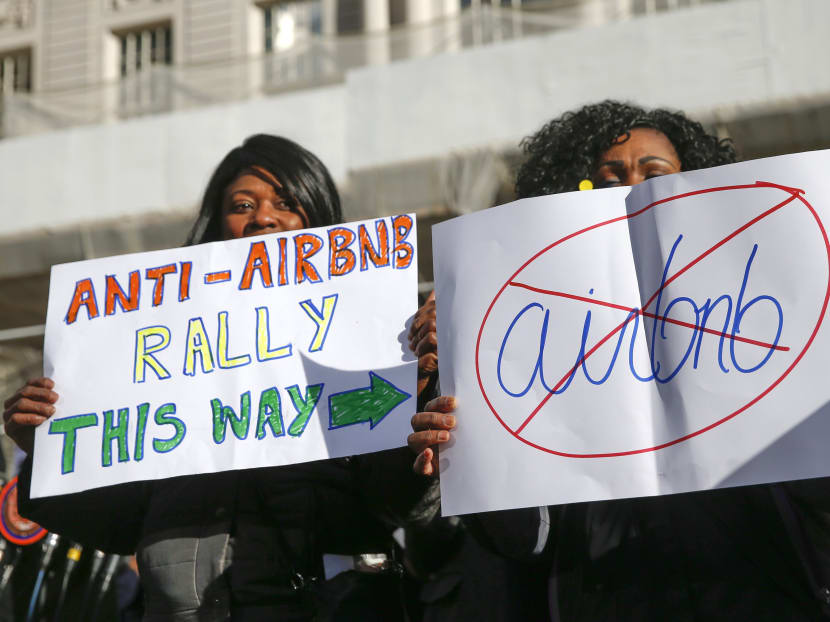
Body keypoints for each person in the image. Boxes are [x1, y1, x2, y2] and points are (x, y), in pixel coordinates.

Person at [408, 100, 830, 621]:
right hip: (604, 594)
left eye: (655, 172)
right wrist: (466, 434)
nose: (632, 187)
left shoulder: (768, 307)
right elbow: (524, 538)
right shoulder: (538, 333)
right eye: (606, 181)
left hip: (757, 586)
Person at [4, 134, 437, 621]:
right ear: (217, 226)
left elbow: (402, 504)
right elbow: (118, 524)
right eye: (242, 204)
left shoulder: (362, 344)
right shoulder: (154, 352)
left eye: (287, 202)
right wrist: (45, 450)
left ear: (316, 216)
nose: (264, 217)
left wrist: (421, 395)